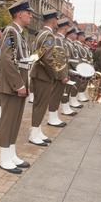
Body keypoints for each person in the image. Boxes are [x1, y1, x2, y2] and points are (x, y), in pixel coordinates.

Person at [0, 0, 33, 174]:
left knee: (15, 121)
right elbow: (6, 59)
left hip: (19, 83)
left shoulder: (19, 33)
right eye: (28, 13)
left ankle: (11, 153)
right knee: (8, 121)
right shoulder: (10, 32)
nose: (31, 16)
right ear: (19, 14)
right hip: (13, 85)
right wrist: (18, 84)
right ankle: (4, 157)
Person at [29, 9, 68, 146]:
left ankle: (37, 130)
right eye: (56, 20)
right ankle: (34, 134)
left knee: (41, 104)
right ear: (52, 20)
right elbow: (48, 58)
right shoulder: (48, 35)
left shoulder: (41, 34)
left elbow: (35, 55)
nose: (57, 22)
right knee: (40, 105)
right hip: (43, 75)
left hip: (39, 72)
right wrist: (56, 74)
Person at [47, 18, 70, 127]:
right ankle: (52, 118)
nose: (68, 29)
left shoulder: (61, 39)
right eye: (67, 26)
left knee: (57, 95)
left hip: (61, 72)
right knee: (55, 95)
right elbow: (59, 59)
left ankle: (54, 116)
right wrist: (62, 75)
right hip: (59, 74)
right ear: (64, 27)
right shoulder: (58, 39)